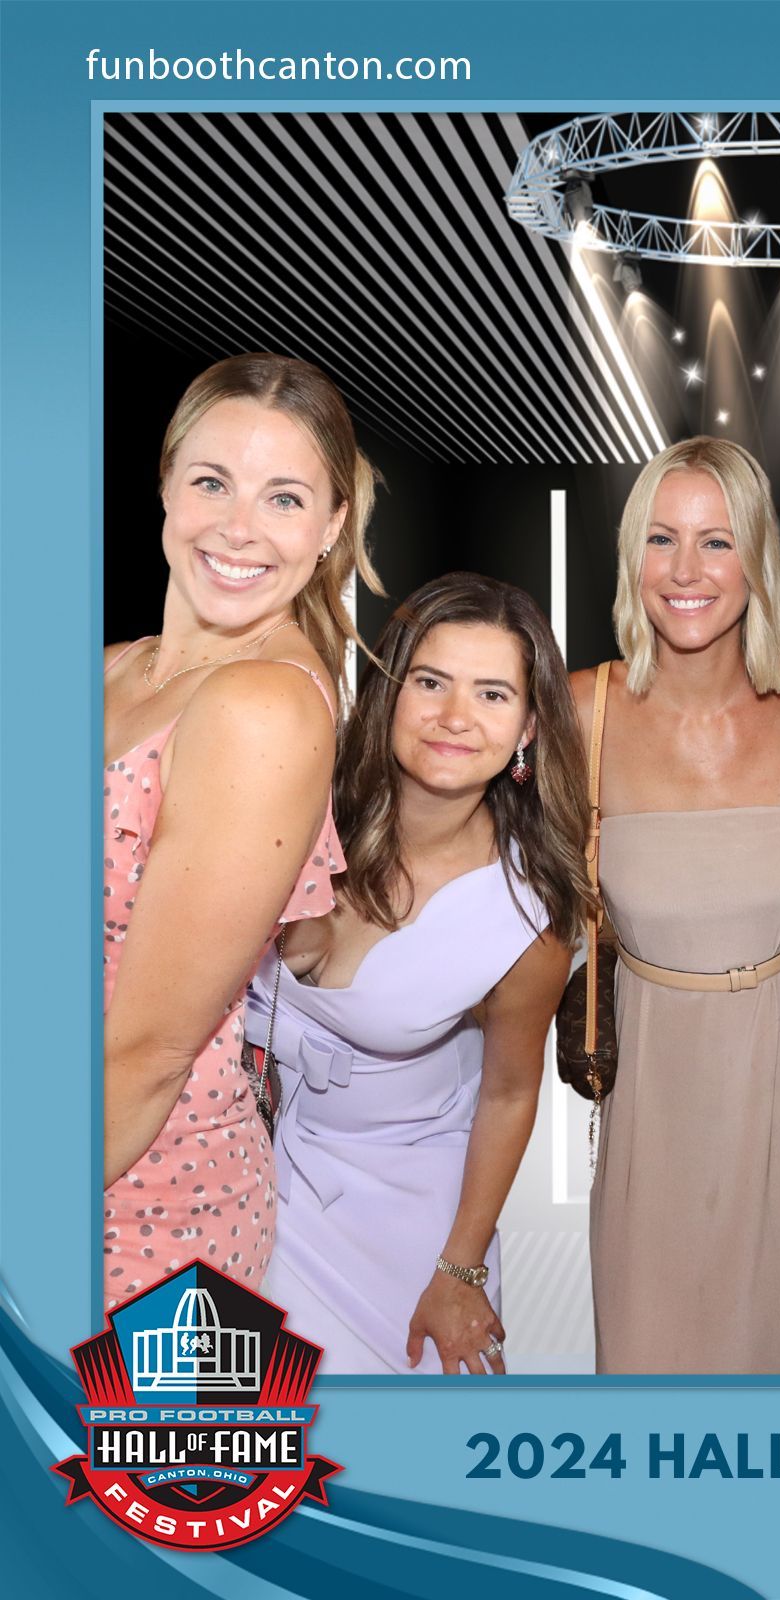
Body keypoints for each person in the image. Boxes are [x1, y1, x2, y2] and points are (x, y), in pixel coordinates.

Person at [573, 437, 780, 1374]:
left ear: (759, 557)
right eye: (662, 539)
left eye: (716, 541)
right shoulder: (579, 709)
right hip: (652, 1112)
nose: (686, 571)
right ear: (633, 558)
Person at [244, 574, 589, 1374]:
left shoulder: (525, 919)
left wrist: (459, 1271)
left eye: (493, 694)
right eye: (431, 682)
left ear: (528, 729)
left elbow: (508, 1094)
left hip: (404, 1230)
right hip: (247, 1180)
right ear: (392, 692)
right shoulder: (294, 810)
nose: (454, 717)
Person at [102, 352, 381, 1310]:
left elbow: (150, 1053)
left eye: (284, 498)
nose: (237, 528)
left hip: (140, 1214)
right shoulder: (112, 670)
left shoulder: (264, 707)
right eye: (213, 482)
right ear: (167, 484)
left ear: (333, 525)